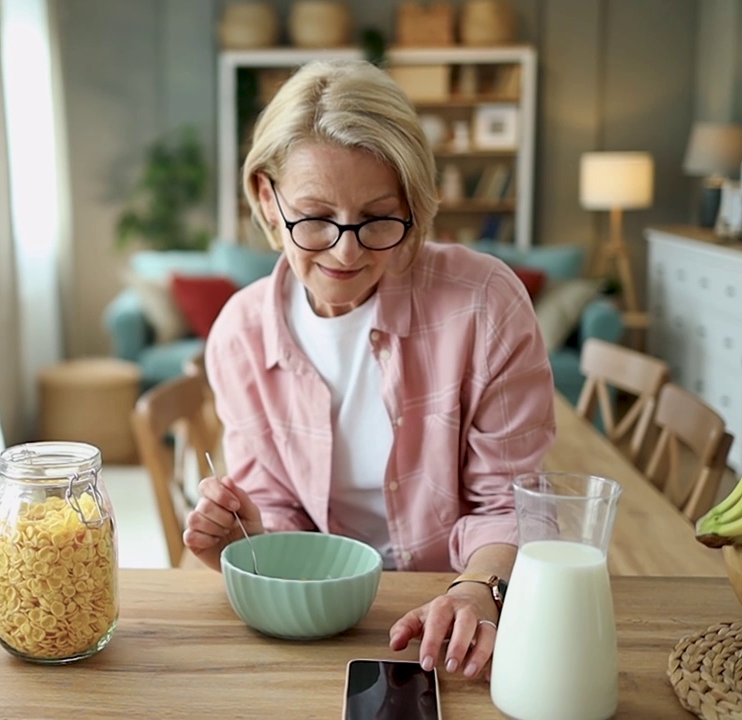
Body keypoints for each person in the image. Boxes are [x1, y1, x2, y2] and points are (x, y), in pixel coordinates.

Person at [183, 59, 555, 681]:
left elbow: (508, 503)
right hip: (323, 619)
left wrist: (475, 592)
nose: (347, 250)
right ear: (265, 199)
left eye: (379, 217)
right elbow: (281, 514)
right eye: (316, 217)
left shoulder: (485, 303)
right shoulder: (242, 336)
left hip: (459, 614)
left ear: (413, 203)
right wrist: (243, 540)